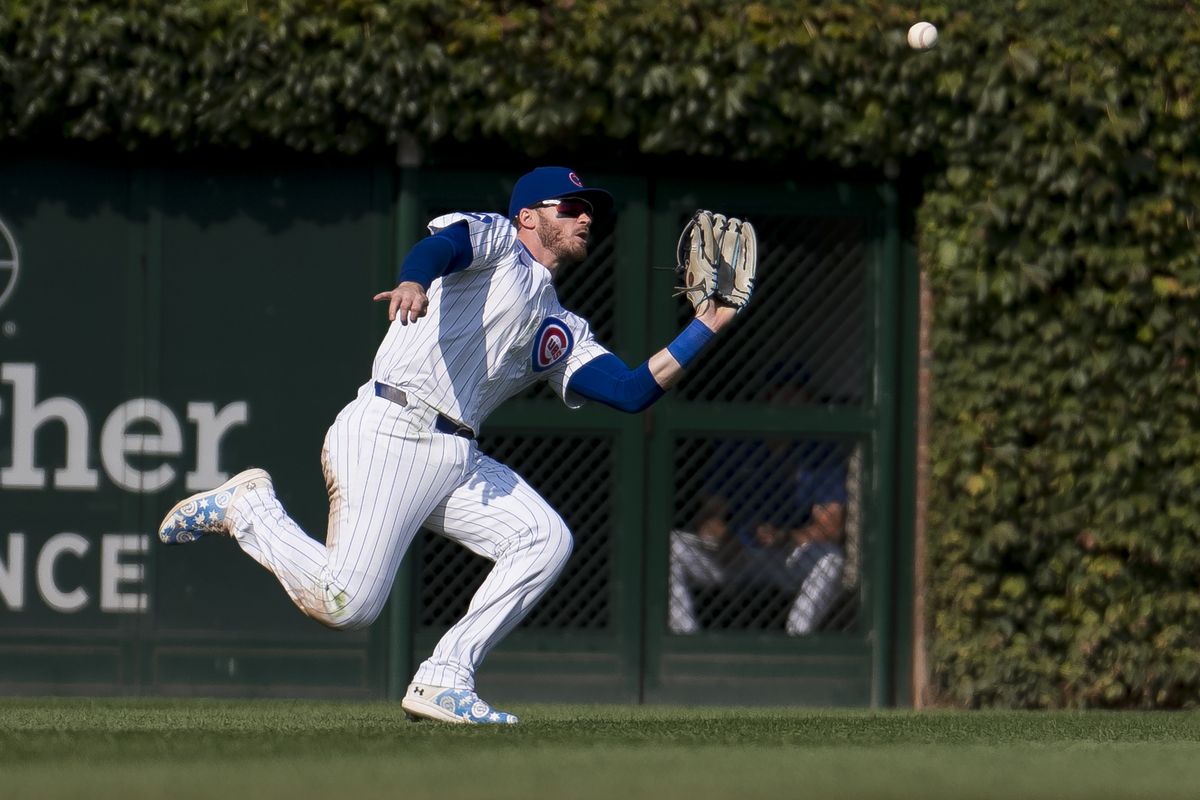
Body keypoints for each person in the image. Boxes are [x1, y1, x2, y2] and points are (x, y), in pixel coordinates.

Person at [157, 166, 743, 725]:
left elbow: (631, 390)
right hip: (390, 429)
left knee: (544, 539)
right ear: (530, 218)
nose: (585, 217)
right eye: (571, 206)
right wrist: (414, 279)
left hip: (455, 456)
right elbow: (442, 248)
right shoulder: (498, 242)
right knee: (346, 604)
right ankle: (250, 508)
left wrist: (707, 326)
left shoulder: (559, 327)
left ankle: (446, 677)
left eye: (590, 209)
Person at [668, 433, 851, 637]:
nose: (784, 403)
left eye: (793, 399)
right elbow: (708, 517)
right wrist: (722, 537)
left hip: (787, 555)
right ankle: (688, 639)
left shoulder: (818, 451)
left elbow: (832, 528)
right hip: (735, 554)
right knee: (671, 546)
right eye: (776, 399)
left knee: (832, 559)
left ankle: (798, 640)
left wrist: (785, 537)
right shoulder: (737, 447)